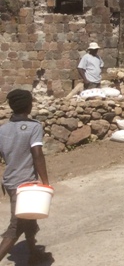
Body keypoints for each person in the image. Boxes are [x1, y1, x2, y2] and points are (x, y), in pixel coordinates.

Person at [0, 89, 51, 264]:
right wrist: (46, 183)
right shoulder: (34, 126)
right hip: (25, 184)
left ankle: (33, 254)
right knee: (17, 226)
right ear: (29, 106)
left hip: (10, 181)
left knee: (29, 217)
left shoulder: (3, 129)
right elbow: (37, 154)